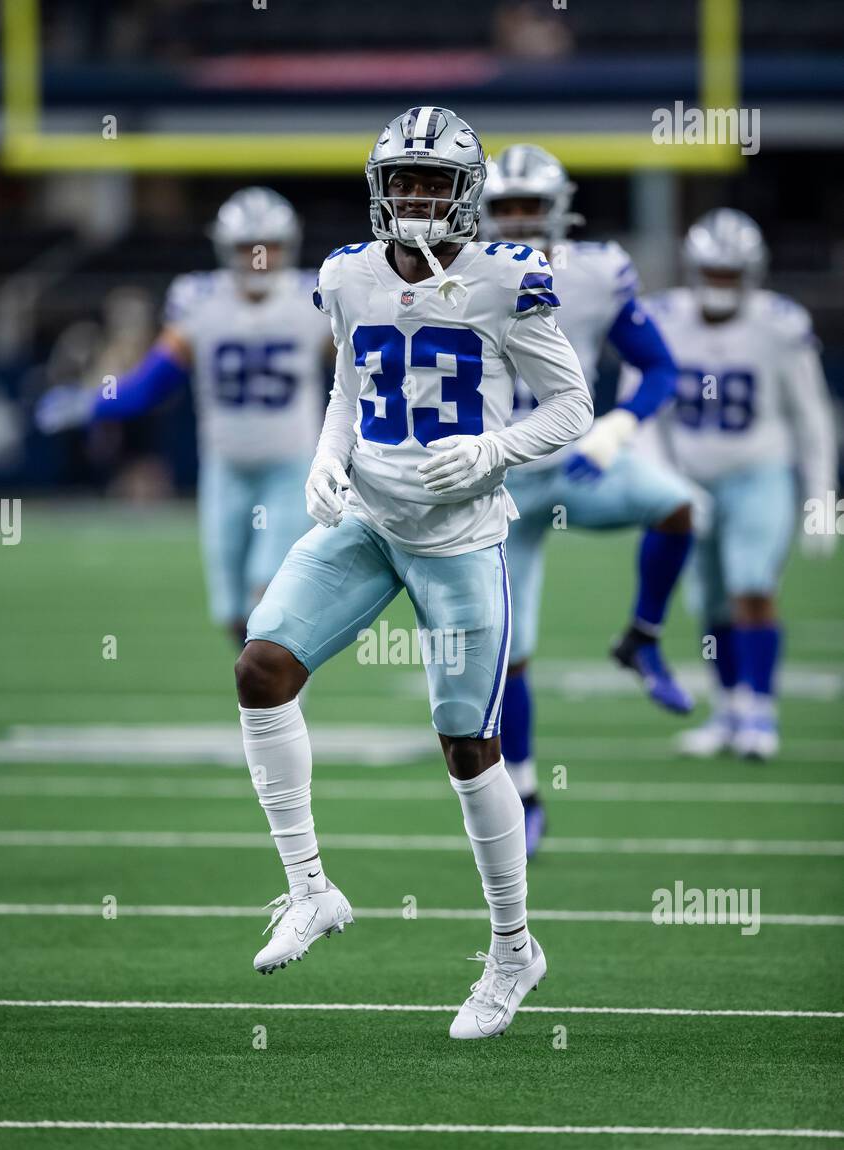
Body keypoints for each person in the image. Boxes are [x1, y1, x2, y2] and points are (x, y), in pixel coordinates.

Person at [234, 107, 593, 1040]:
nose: (417, 196)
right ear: (378, 185)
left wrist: (492, 451)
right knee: (260, 669)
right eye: (404, 179)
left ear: (466, 194)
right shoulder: (345, 273)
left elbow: (571, 406)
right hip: (367, 518)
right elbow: (350, 384)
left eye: (435, 182)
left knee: (468, 747)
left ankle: (514, 951)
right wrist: (328, 456)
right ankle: (311, 890)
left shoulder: (505, 280)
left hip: (461, 538)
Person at [480, 145, 693, 852]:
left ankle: (642, 639)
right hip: (497, 479)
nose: (515, 222)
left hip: (580, 464)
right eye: (504, 208)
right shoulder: (453, 272)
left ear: (557, 210)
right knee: (507, 651)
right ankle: (528, 790)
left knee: (680, 508)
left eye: (528, 208)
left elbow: (659, 365)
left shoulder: (595, 272)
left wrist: (621, 426)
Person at [36, 187, 332, 644]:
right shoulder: (201, 299)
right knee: (233, 610)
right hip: (226, 469)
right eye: (246, 247)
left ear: (287, 245)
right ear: (225, 249)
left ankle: (283, 704)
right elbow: (155, 382)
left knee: (268, 594)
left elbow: (359, 374)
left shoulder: (312, 298)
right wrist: (92, 401)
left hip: (292, 469)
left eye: (269, 246)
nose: (258, 258)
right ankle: (262, 692)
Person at [626, 209, 838, 760]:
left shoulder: (778, 324)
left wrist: (822, 500)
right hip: (688, 475)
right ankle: (728, 709)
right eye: (714, 273)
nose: (721, 284)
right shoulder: (662, 316)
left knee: (752, 586)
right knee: (710, 601)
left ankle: (760, 713)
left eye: (731, 274)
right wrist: (663, 480)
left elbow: (811, 417)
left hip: (759, 470)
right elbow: (639, 411)